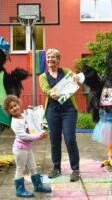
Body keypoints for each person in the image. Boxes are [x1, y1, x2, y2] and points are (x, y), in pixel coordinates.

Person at [39, 48, 80, 182]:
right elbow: (45, 89)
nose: (50, 59)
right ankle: (56, 168)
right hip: (52, 110)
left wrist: (75, 76)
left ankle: (75, 170)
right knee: (54, 140)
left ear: (58, 60)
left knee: (70, 139)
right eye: (48, 57)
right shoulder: (43, 76)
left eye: (53, 57)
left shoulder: (66, 71)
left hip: (68, 110)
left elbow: (74, 76)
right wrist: (51, 93)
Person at [2, 95, 51, 198]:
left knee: (33, 167)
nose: (14, 108)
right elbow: (24, 136)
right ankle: (19, 190)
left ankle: (38, 186)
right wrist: (39, 136)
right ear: (8, 111)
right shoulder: (14, 122)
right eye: (11, 108)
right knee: (20, 168)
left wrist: (33, 110)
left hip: (27, 147)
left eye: (15, 105)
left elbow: (34, 119)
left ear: (19, 104)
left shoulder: (24, 115)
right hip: (20, 149)